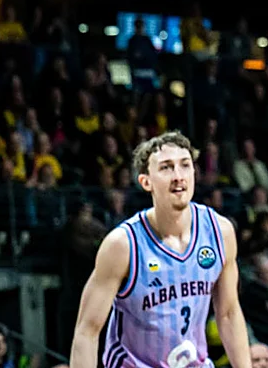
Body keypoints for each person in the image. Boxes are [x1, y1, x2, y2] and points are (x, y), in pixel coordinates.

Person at [69, 131, 251, 368]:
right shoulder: (122, 245)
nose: (178, 176)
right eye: (166, 168)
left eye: (185, 165)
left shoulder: (220, 232)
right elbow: (87, 331)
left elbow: (227, 313)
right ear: (146, 182)